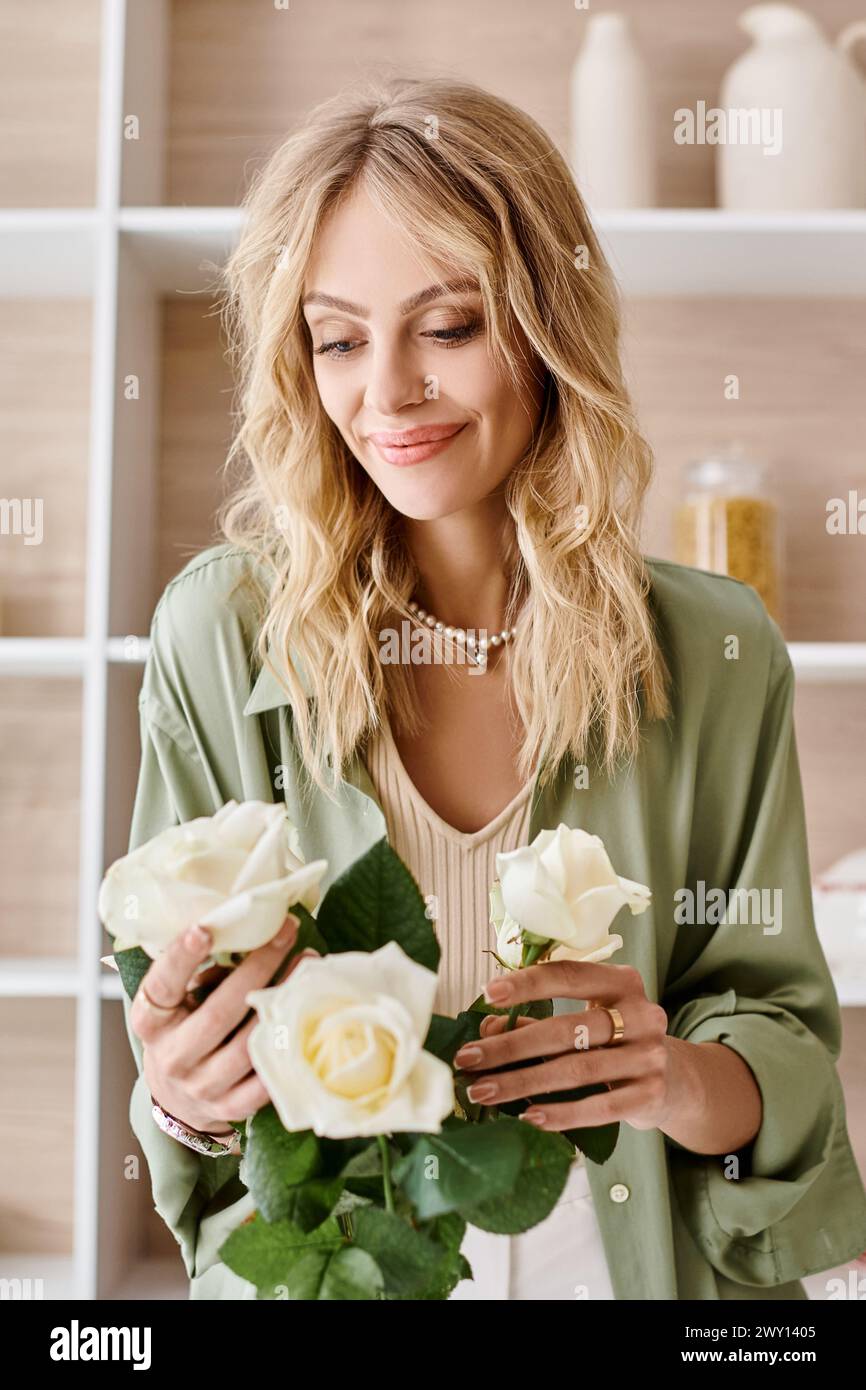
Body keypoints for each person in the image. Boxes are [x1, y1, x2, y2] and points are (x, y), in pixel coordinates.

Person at [120, 75, 866, 1300]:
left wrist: (668, 1070)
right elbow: (190, 1091)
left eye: (450, 325)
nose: (387, 392)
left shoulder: (716, 650)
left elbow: (776, 1040)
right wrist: (186, 1096)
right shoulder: (220, 633)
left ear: (543, 323)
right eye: (339, 337)